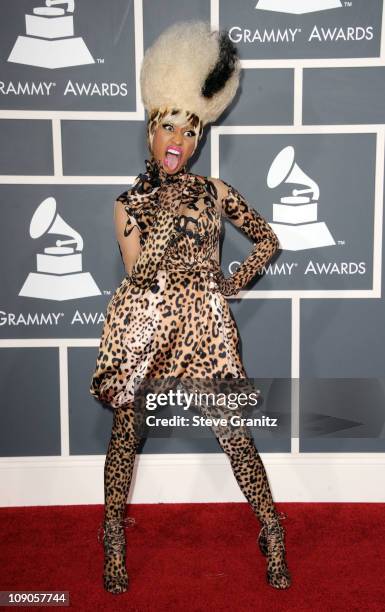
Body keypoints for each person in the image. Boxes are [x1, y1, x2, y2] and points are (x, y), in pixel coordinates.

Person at [90, 20, 291, 594]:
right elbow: (138, 275)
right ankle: (111, 534)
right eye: (169, 127)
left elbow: (268, 240)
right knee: (127, 432)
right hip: (147, 323)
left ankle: (271, 531)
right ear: (151, 131)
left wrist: (236, 280)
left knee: (235, 433)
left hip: (205, 324)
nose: (179, 140)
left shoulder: (216, 191)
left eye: (191, 131)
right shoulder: (127, 204)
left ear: (200, 139)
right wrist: (162, 215)